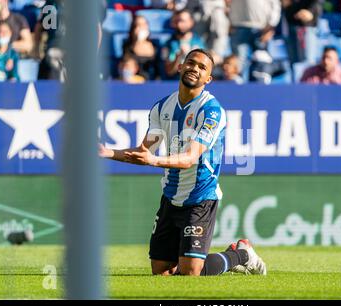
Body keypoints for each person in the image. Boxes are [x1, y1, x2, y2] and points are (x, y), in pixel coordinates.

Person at [99, 48, 267, 276]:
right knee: (161, 272)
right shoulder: (161, 107)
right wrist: (107, 152)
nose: (194, 69)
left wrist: (153, 160)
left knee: (190, 272)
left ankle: (241, 254)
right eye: (191, 63)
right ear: (180, 66)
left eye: (202, 67)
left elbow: (189, 158)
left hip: (200, 197)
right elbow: (143, 152)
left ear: (208, 79)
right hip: (171, 196)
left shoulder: (212, 111)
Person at [228, 0, 281, 81]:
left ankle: (259, 91)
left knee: (260, 62)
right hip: (238, 26)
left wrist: (271, 25)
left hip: (261, 29)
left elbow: (275, 3)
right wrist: (229, 21)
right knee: (239, 63)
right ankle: (238, 90)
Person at [161, 9, 206, 79]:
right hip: (174, 83)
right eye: (176, 21)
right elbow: (168, 71)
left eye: (182, 21)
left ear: (191, 22)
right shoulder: (167, 44)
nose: (179, 24)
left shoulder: (199, 43)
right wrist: (178, 57)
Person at [122, 15, 157, 80]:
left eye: (144, 24)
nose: (142, 28)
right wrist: (138, 41)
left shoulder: (155, 45)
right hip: (135, 81)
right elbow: (128, 63)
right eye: (138, 25)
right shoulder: (127, 46)